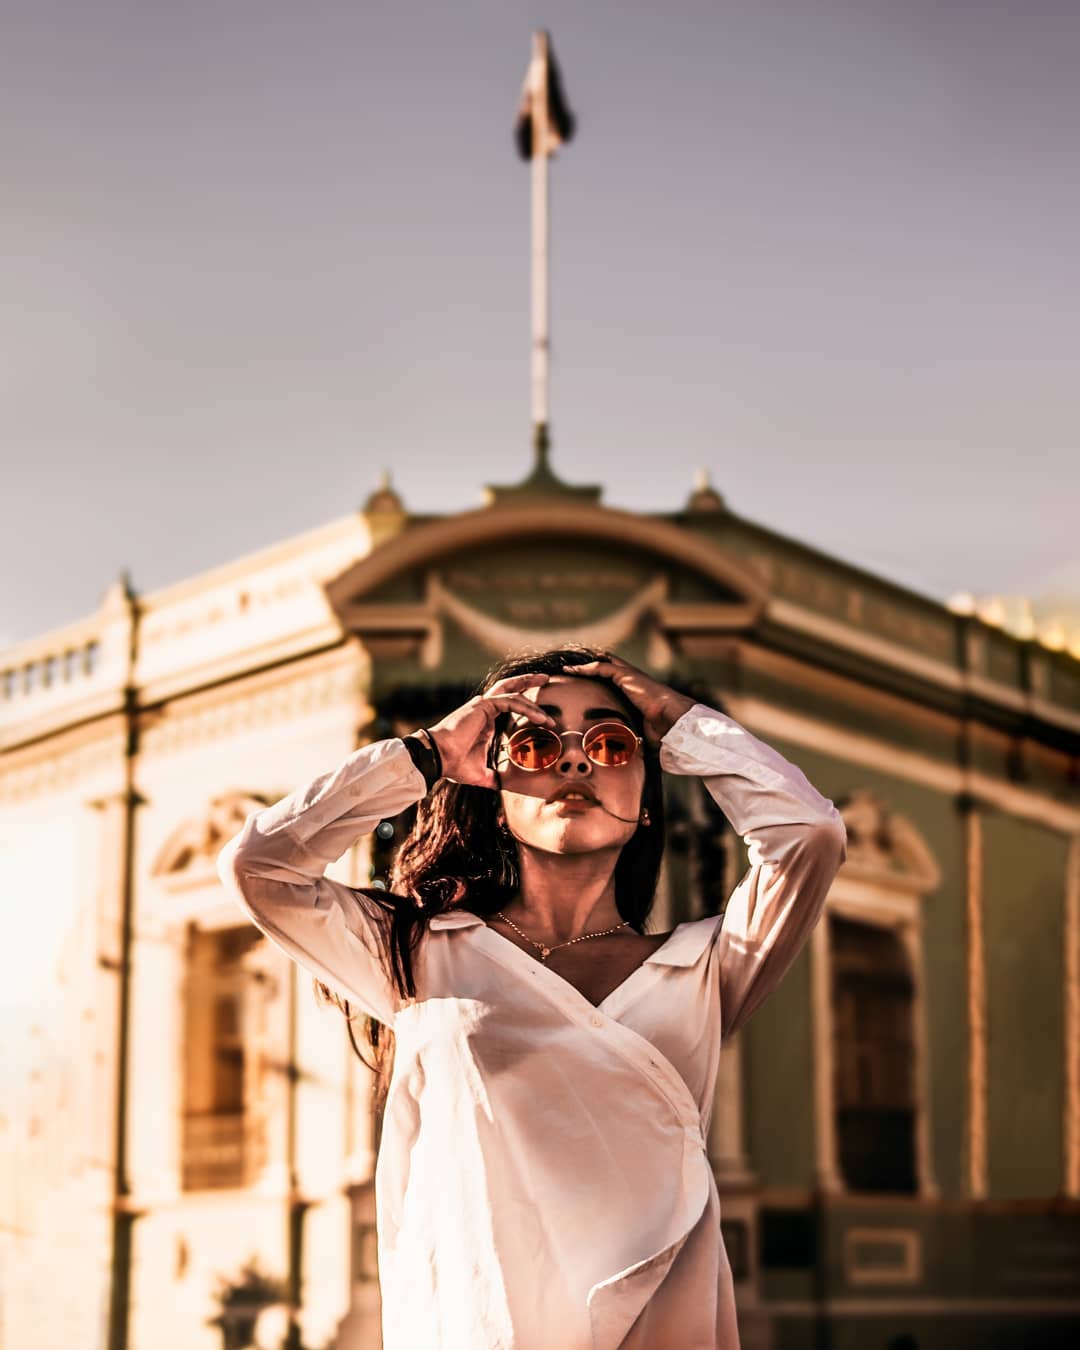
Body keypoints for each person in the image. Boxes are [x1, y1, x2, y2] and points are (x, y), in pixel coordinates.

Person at [217, 646, 847, 1349]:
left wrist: (677, 723)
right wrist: (428, 754)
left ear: (646, 806)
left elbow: (810, 833)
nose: (574, 762)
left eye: (610, 743)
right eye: (537, 742)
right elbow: (257, 866)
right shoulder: (418, 955)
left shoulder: (705, 967)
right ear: (493, 789)